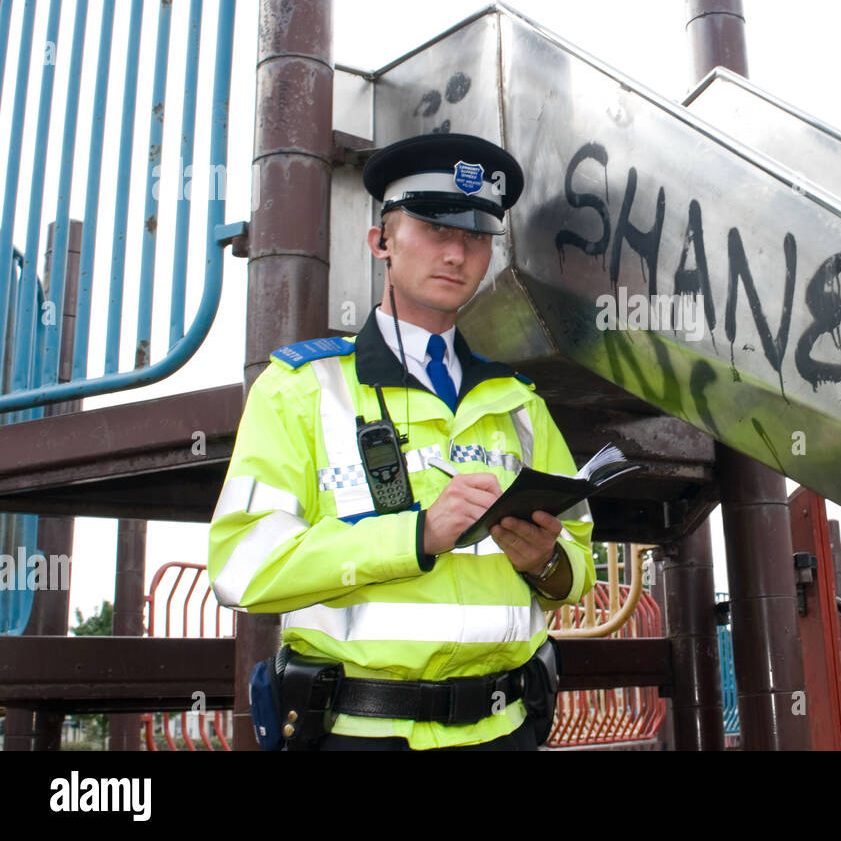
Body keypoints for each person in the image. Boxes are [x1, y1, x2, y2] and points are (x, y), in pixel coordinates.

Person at [208, 133, 596, 750]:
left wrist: (544, 561)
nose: (458, 254)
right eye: (436, 229)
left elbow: (578, 567)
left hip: (509, 728)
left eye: (476, 237)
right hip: (361, 732)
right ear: (381, 242)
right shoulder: (301, 388)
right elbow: (240, 565)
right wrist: (416, 535)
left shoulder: (521, 404)